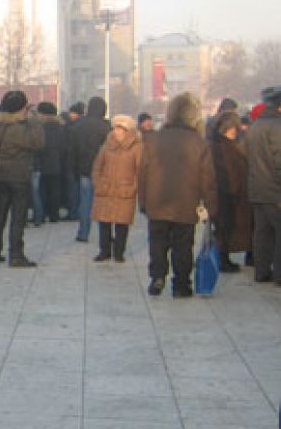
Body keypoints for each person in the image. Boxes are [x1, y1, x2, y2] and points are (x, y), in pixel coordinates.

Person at [139, 93, 217, 298]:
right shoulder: (198, 142)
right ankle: (181, 284)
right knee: (183, 244)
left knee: (157, 241)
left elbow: (143, 173)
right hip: (185, 203)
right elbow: (207, 178)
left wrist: (143, 201)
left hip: (157, 200)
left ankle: (157, 276)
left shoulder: (154, 139)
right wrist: (211, 205)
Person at [0, 91, 44, 267]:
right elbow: (38, 143)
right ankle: (16, 254)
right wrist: (34, 120)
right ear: (21, 108)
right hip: (18, 176)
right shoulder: (18, 128)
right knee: (18, 217)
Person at [90, 114, 142, 262]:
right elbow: (97, 166)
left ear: (127, 130)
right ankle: (104, 250)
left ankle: (119, 252)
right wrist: (97, 182)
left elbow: (140, 171)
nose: (116, 132)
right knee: (104, 223)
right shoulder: (106, 147)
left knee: (122, 224)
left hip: (124, 190)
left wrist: (133, 187)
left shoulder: (136, 148)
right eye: (115, 128)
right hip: (105, 189)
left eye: (120, 129)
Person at [244, 86, 281, 284]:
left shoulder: (255, 126)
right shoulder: (278, 127)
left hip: (257, 188)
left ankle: (262, 270)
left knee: (261, 232)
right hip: (275, 190)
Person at [209, 111, 251, 273]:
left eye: (234, 128)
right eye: (229, 128)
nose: (233, 131)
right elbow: (223, 172)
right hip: (225, 194)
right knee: (224, 228)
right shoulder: (220, 147)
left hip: (231, 193)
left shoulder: (229, 145)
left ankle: (224, 258)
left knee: (228, 227)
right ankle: (222, 260)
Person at [69, 96, 110, 242]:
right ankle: (105, 235)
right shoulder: (106, 127)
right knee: (103, 203)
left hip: (84, 170)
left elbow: (72, 150)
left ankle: (83, 233)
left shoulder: (78, 126)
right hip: (104, 172)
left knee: (85, 202)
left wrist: (74, 169)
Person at [36, 102, 67, 224]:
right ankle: (54, 214)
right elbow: (64, 147)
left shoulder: (40, 128)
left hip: (42, 162)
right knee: (55, 189)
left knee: (42, 190)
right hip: (57, 162)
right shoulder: (61, 127)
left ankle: (43, 213)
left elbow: (38, 145)